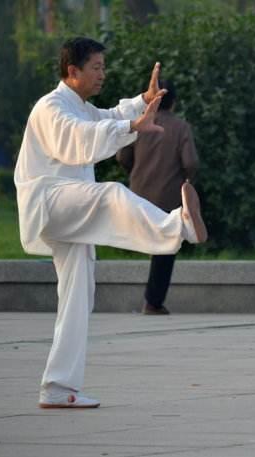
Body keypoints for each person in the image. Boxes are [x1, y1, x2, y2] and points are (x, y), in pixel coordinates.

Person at [14, 37, 207, 409]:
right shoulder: (51, 107)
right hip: (49, 201)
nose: (103, 74)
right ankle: (178, 226)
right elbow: (82, 137)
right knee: (111, 195)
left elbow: (107, 118)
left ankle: (57, 386)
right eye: (96, 68)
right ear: (73, 72)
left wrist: (141, 103)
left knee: (78, 296)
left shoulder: (81, 107)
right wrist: (134, 122)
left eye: (104, 67)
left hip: (69, 208)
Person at [116, 80, 199, 315]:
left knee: (144, 242)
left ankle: (151, 300)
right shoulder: (181, 127)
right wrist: (186, 179)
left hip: (138, 192)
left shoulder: (140, 123)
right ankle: (153, 301)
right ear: (173, 102)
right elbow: (190, 162)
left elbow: (122, 156)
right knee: (166, 247)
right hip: (169, 194)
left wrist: (137, 171)